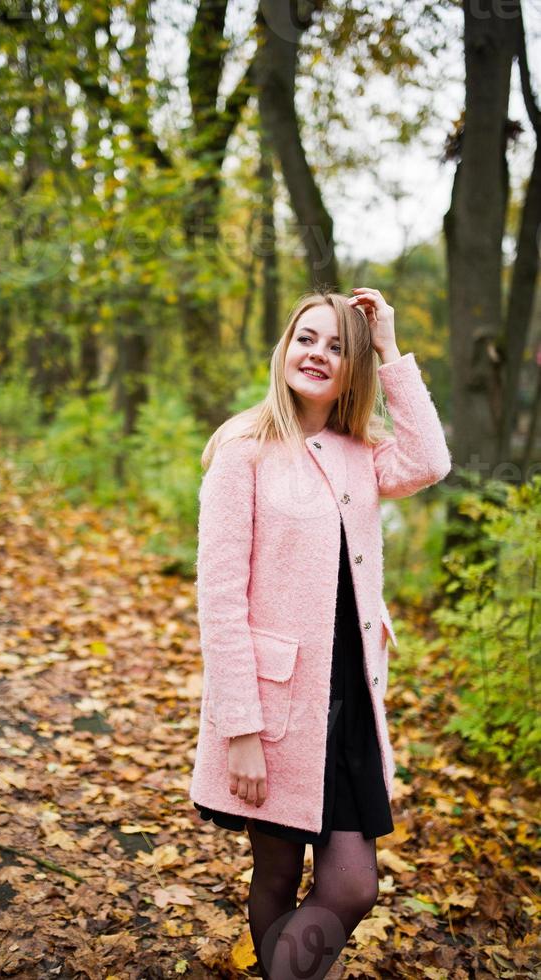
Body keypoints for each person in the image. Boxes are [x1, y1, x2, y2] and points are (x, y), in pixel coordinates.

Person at [188, 287, 453, 979]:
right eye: (307, 337)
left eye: (338, 346)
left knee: (352, 886)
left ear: (351, 367)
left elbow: (430, 462)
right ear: (284, 348)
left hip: (351, 707)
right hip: (276, 708)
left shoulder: (360, 450)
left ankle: (294, 972)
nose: (318, 354)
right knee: (275, 877)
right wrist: (238, 729)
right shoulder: (241, 449)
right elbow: (220, 602)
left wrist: (391, 349)